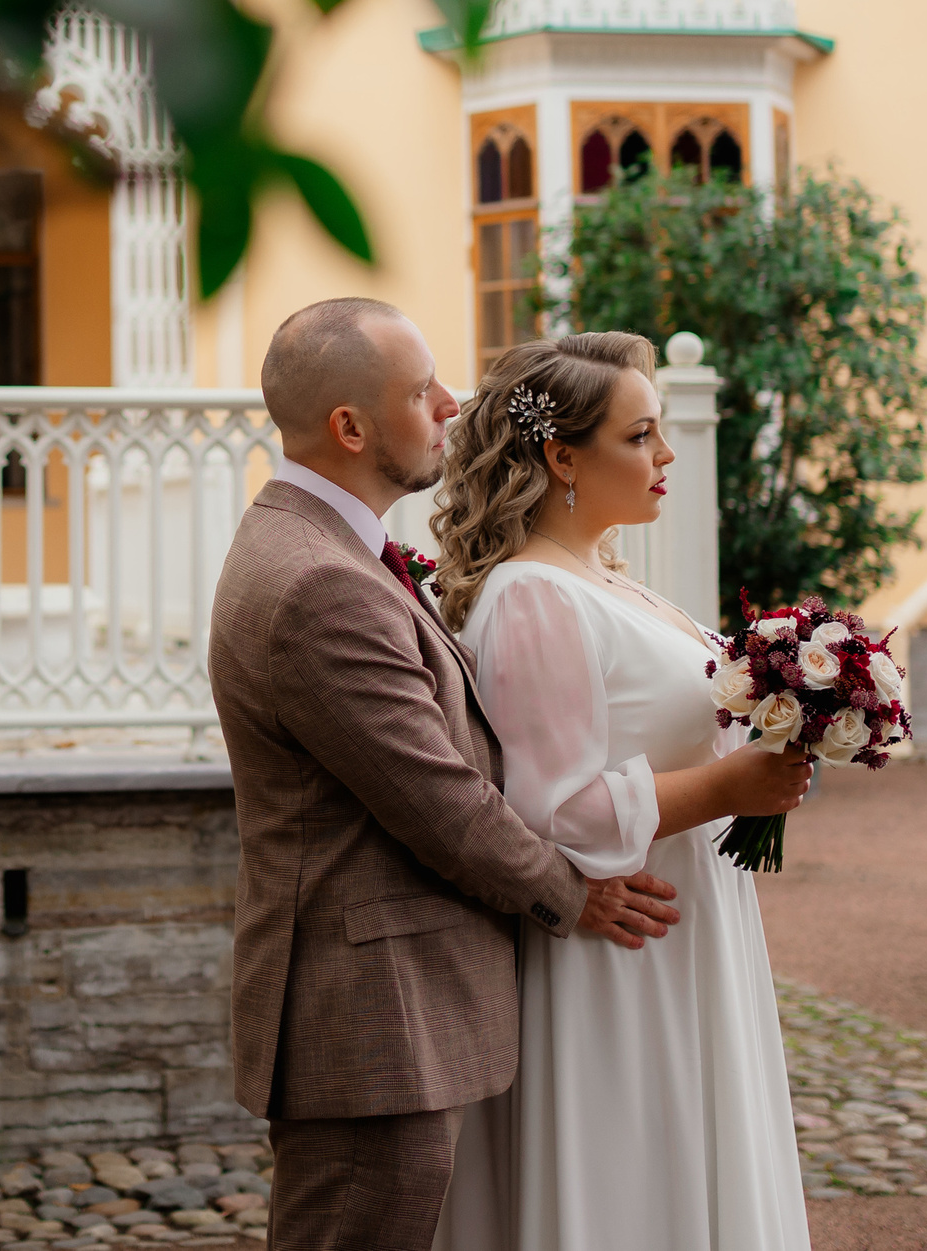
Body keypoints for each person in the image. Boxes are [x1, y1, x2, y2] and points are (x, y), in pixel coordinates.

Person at [210, 300, 795, 1251]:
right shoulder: (319, 578)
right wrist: (576, 892)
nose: (451, 403)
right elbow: (443, 800)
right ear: (350, 427)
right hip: (372, 1007)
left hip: (410, 992)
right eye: (419, 389)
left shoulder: (332, 554)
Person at [430, 332, 815, 1251]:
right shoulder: (533, 598)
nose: (666, 454)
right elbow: (553, 810)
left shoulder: (604, 579)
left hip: (684, 931)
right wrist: (732, 785)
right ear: (562, 455)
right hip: (617, 954)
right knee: (634, 1189)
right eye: (640, 435)